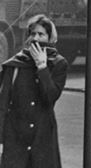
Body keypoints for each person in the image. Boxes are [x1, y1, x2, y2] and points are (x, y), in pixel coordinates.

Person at [0, 13, 68, 167]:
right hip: (16, 137)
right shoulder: (16, 64)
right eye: (33, 34)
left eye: (41, 34)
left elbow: (50, 96)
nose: (36, 39)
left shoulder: (58, 64)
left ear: (50, 39)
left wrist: (42, 68)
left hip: (42, 138)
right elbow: (2, 103)